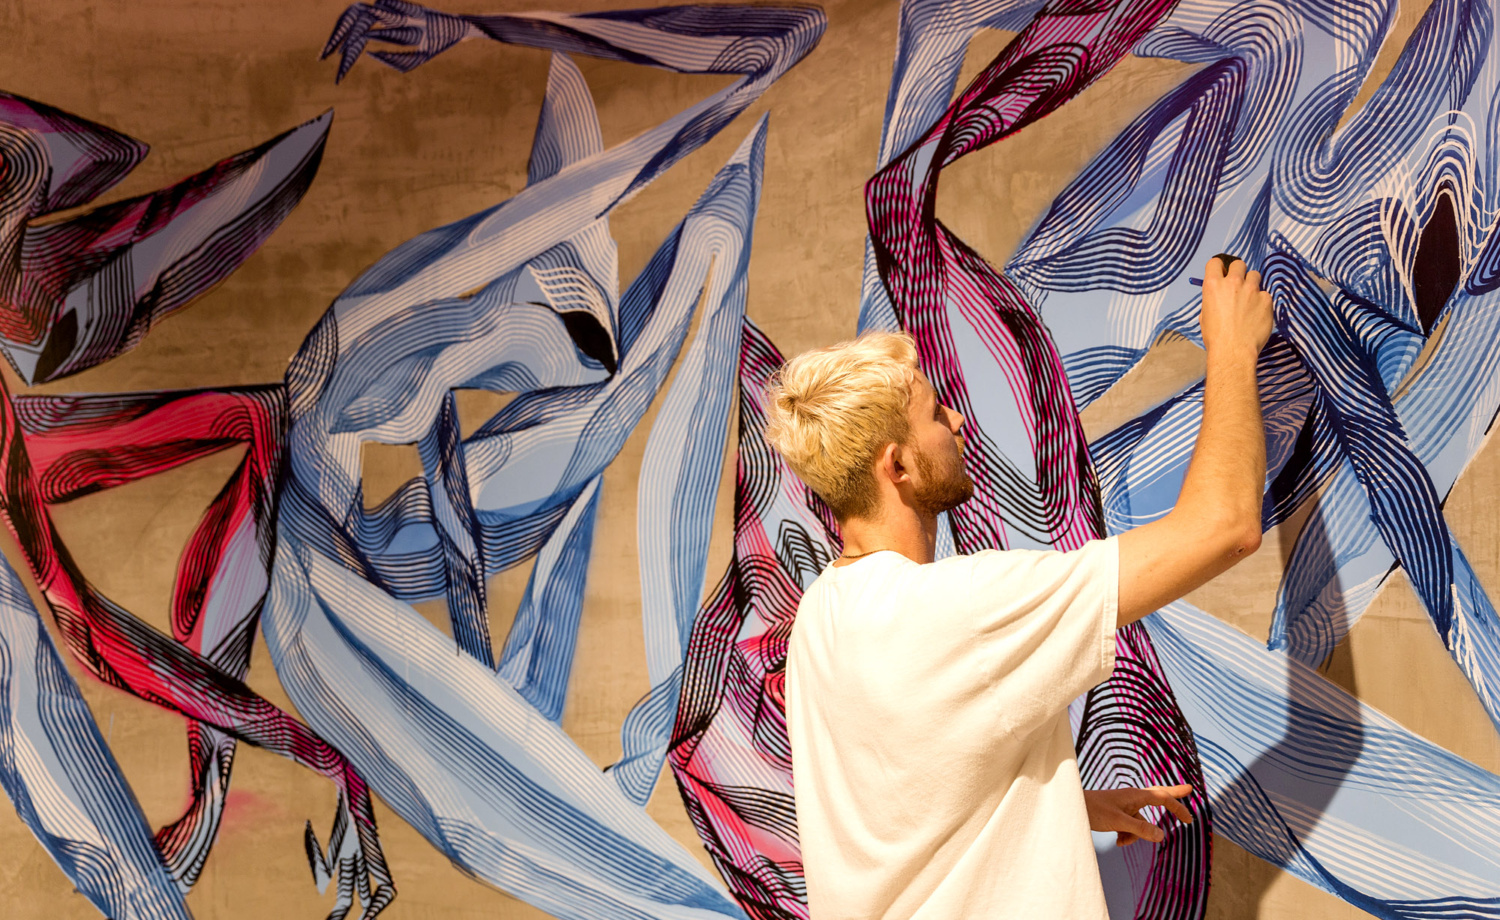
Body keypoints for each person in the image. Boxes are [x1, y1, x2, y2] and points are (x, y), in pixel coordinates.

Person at [766, 256, 1273, 919]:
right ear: (898, 466)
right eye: (934, 414)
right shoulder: (957, 611)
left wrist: (1060, 804)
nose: (957, 422)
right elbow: (1225, 526)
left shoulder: (821, 615)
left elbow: (903, 789)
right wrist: (1232, 347)